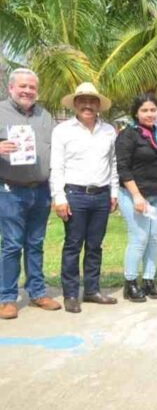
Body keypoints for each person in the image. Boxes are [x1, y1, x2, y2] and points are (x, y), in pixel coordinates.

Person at [51, 82, 119, 313]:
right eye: (83, 101)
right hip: (75, 195)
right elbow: (56, 166)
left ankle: (91, 290)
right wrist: (59, 197)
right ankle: (71, 293)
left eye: (92, 101)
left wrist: (114, 192)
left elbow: (113, 164)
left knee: (95, 245)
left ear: (99, 105)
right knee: (73, 245)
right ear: (75, 104)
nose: (88, 105)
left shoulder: (109, 130)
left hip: (101, 195)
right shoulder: (62, 130)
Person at [0, 68, 62, 319]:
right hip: (9, 189)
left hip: (41, 190)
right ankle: (7, 297)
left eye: (32, 87)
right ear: (11, 88)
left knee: (35, 244)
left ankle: (37, 292)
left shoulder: (45, 116)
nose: (27, 91)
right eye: (22, 86)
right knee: (12, 244)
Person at [115, 94, 157, 302]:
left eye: (153, 110)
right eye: (144, 110)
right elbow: (123, 168)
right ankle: (130, 283)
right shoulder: (128, 135)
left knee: (154, 238)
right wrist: (137, 196)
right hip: (134, 195)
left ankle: (148, 280)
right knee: (139, 239)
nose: (149, 114)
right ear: (136, 113)